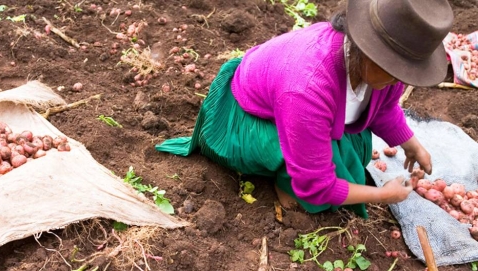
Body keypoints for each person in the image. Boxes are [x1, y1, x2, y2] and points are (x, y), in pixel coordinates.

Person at [155, 0, 454, 218]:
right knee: (323, 175)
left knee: (354, 152)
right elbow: (318, 185)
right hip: (247, 118)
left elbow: (384, 108)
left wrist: (410, 143)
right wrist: (381, 195)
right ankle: (285, 185)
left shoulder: (379, 71)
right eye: (395, 71)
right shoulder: (307, 87)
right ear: (368, 49)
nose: (399, 81)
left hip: (300, 110)